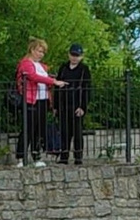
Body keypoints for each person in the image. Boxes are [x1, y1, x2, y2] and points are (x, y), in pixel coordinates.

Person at [14, 38, 66, 168]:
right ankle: (21, 157)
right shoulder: (26, 63)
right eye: (39, 51)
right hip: (31, 100)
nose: (41, 54)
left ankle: (36, 156)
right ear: (32, 50)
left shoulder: (42, 66)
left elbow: (44, 78)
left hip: (42, 100)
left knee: (39, 129)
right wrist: (53, 81)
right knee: (28, 129)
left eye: (43, 52)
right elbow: (33, 77)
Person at [54, 43, 92, 165]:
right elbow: (57, 87)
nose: (74, 57)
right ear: (69, 54)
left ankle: (78, 157)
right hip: (63, 105)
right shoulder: (63, 68)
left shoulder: (84, 70)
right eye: (73, 55)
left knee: (77, 132)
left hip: (77, 105)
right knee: (64, 132)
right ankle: (64, 157)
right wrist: (55, 106)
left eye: (77, 55)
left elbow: (87, 89)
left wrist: (83, 107)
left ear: (81, 56)